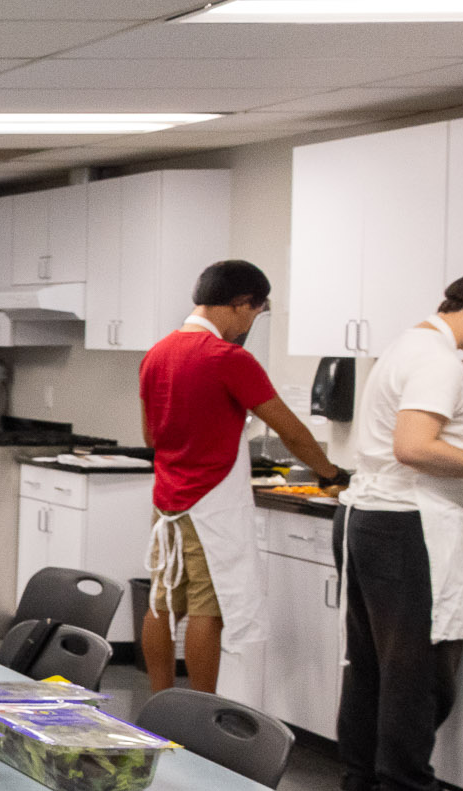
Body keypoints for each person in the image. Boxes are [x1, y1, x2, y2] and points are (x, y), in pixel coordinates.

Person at [335, 264, 463, 791]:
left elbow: (440, 441)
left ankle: (360, 780)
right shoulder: (439, 361)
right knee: (417, 673)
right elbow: (416, 447)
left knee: (371, 664)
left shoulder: (408, 345)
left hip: (372, 520)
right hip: (409, 528)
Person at [137, 259, 349, 699]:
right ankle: (199, 713)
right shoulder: (229, 358)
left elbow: (150, 434)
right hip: (211, 503)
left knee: (162, 601)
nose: (251, 322)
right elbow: (291, 429)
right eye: (255, 312)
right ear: (240, 304)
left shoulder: (157, 353)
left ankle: (158, 704)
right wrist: (330, 473)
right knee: (208, 610)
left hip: (168, 498)